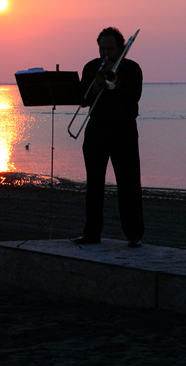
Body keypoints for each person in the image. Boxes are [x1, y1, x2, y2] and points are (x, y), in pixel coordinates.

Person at [71, 27, 144, 248]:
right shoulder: (92, 67)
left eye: (110, 49)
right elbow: (82, 100)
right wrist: (94, 86)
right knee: (94, 184)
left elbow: (135, 95)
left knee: (129, 183)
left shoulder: (132, 68)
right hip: (97, 130)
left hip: (124, 131)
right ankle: (91, 233)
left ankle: (134, 235)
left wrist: (116, 75)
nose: (105, 53)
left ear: (121, 48)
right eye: (102, 48)